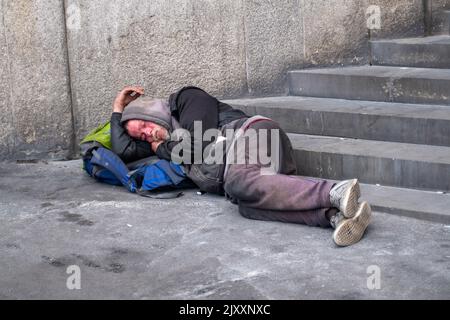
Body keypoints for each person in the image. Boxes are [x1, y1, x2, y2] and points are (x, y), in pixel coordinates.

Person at [109, 86, 372, 247]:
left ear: (150, 112)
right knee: (246, 206)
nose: (148, 135)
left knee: (239, 181)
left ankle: (334, 191)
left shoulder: (186, 99)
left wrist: (162, 150)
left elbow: (200, 143)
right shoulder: (164, 137)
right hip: (246, 169)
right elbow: (124, 151)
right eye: (141, 136)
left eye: (145, 125)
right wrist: (117, 109)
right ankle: (332, 215)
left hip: (253, 134)